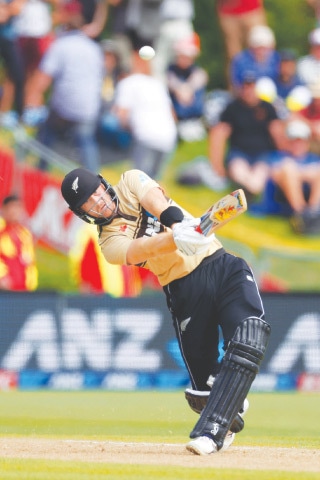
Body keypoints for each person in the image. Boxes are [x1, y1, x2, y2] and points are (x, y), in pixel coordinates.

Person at [61, 166, 270, 455]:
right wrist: (176, 238)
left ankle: (210, 433)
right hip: (184, 291)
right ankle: (227, 397)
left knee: (250, 335)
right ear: (82, 212)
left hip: (220, 265)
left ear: (104, 185)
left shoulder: (130, 180)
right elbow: (145, 249)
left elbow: (157, 203)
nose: (99, 202)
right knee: (202, 395)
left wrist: (178, 225)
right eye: (89, 202)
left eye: (97, 193)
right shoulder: (109, 245)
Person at [25, 0, 104, 172]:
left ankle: (39, 170)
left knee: (46, 134)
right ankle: (98, 182)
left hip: (65, 105)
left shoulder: (61, 45)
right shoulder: (94, 48)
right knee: (86, 142)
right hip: (89, 107)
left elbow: (42, 77)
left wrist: (31, 101)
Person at [208, 70, 283, 201]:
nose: (248, 89)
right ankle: (247, 194)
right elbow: (219, 134)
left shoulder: (267, 107)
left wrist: (283, 158)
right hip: (239, 153)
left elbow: (278, 133)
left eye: (251, 85)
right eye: (245, 85)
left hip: (263, 155)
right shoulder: (232, 108)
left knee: (257, 178)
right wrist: (217, 164)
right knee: (239, 171)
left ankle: (249, 194)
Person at [111, 53, 177, 179]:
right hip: (169, 136)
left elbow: (121, 115)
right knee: (153, 182)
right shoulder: (157, 84)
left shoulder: (127, 83)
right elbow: (173, 115)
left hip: (144, 135)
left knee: (136, 182)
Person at [269, 119, 320, 234]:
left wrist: (300, 174)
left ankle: (312, 213)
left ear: (307, 142)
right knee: (288, 169)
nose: (297, 145)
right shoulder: (278, 156)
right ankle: (301, 215)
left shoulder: (314, 158)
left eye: (301, 141)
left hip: (309, 196)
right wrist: (303, 174)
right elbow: (275, 174)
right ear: (288, 141)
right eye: (294, 141)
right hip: (282, 197)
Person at [166, 32, 208, 142]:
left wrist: (188, 89)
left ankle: (194, 121)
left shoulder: (196, 70)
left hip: (192, 104)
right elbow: (171, 83)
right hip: (177, 108)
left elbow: (201, 78)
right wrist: (180, 89)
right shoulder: (171, 70)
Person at [216, 0, 266, 87]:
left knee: (261, 50)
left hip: (252, 9)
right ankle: (237, 92)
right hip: (229, 11)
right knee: (234, 57)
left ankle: (264, 86)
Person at [0, 194, 38, 291]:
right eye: (12, 207)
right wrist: (2, 276)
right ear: (4, 209)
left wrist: (31, 283)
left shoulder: (25, 234)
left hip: (23, 290)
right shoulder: (2, 230)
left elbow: (29, 261)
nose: (15, 211)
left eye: (18, 207)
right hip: (4, 289)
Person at [230, 24, 280, 93]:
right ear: (250, 47)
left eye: (265, 48)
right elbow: (236, 85)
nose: (261, 52)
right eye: (258, 48)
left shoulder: (278, 60)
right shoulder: (240, 61)